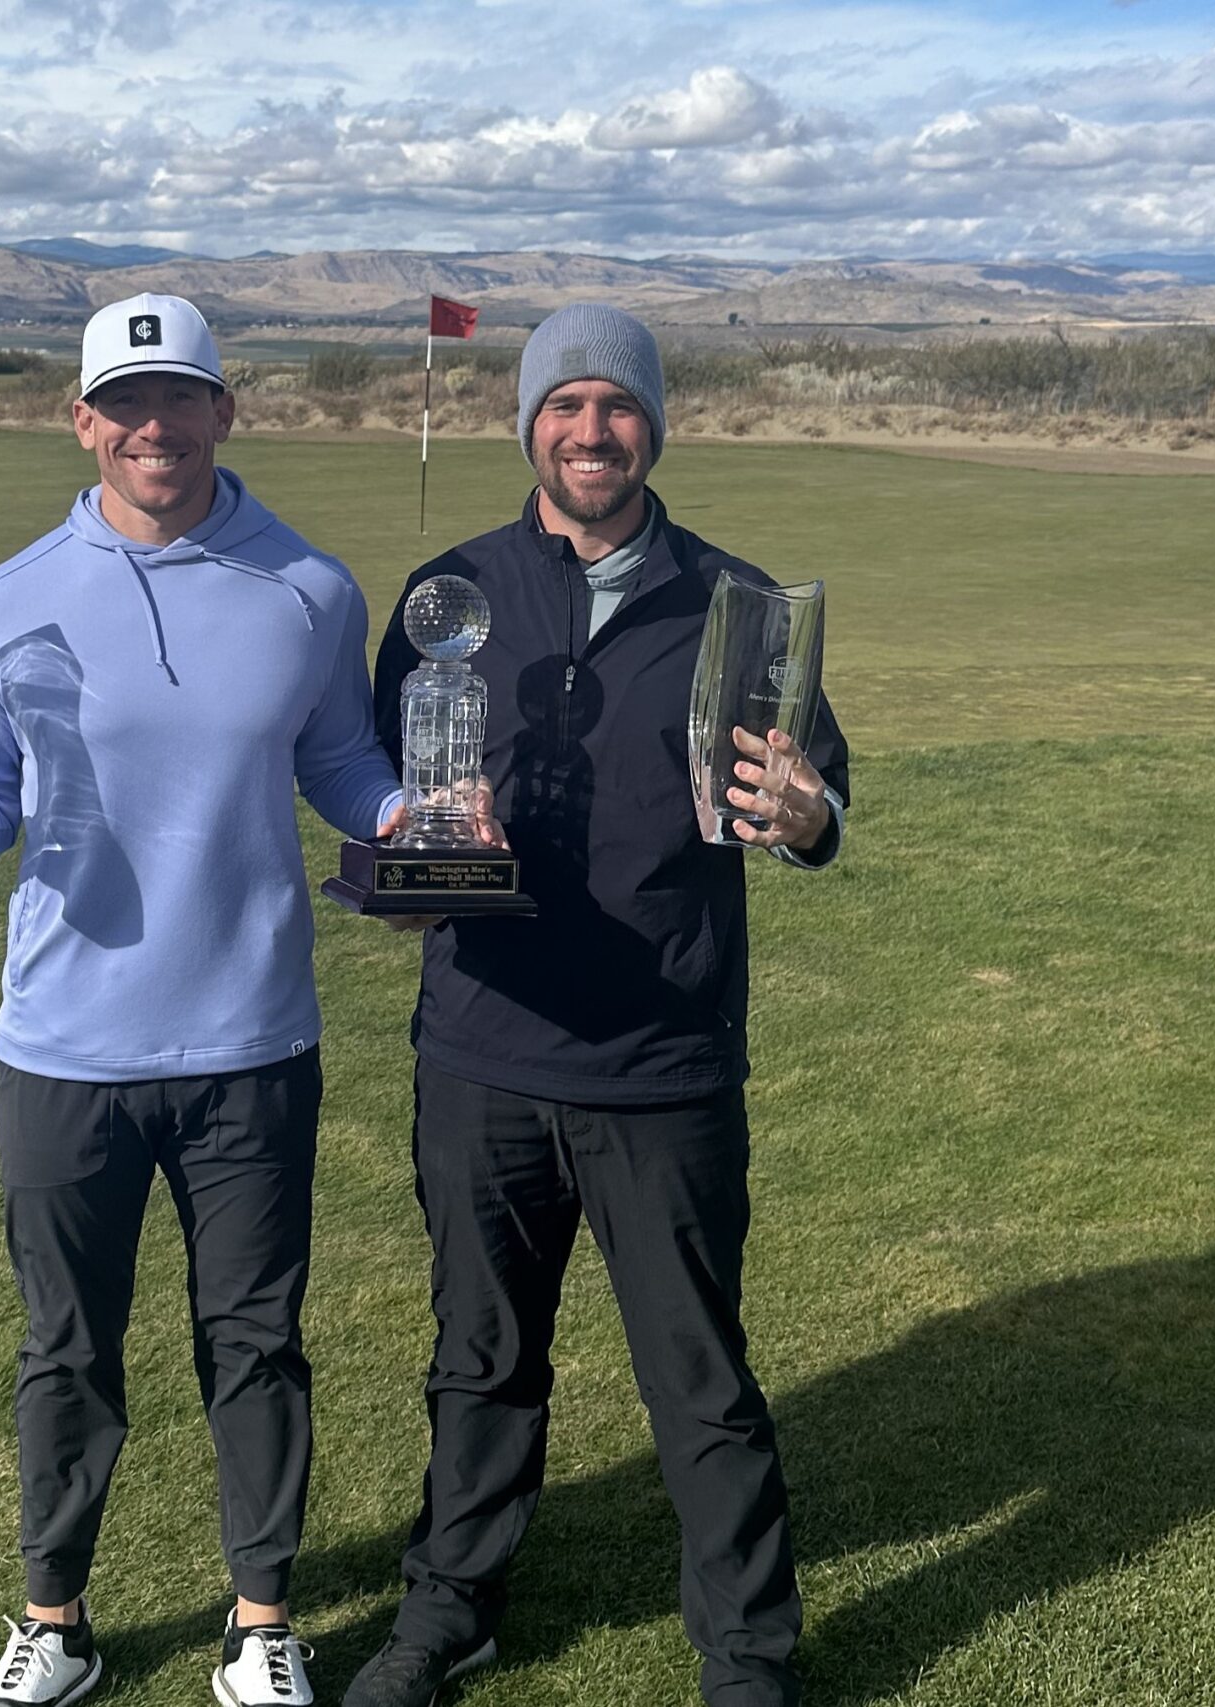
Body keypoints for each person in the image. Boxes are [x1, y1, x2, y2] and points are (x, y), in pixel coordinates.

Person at [0, 293, 404, 1707]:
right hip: (65, 1044)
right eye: (123, 404)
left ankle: (262, 1625)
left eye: (179, 397)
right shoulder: (9, 597)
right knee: (65, 1348)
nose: (154, 427)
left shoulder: (310, 590)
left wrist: (420, 819)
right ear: (81, 421)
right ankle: (55, 1622)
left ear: (224, 409)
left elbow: (340, 762)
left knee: (256, 1343)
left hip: (254, 1037)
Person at [343, 303, 849, 1707]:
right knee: (479, 1361)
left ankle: (747, 1659)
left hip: (664, 1063)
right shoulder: (450, 593)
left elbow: (815, 803)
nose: (589, 430)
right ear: (525, 425)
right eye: (561, 405)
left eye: (615, 405)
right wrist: (427, 860)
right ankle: (449, 1613)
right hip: (483, 1055)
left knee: (700, 1383)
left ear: (654, 427)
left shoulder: (736, 604)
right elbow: (387, 814)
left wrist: (809, 817)